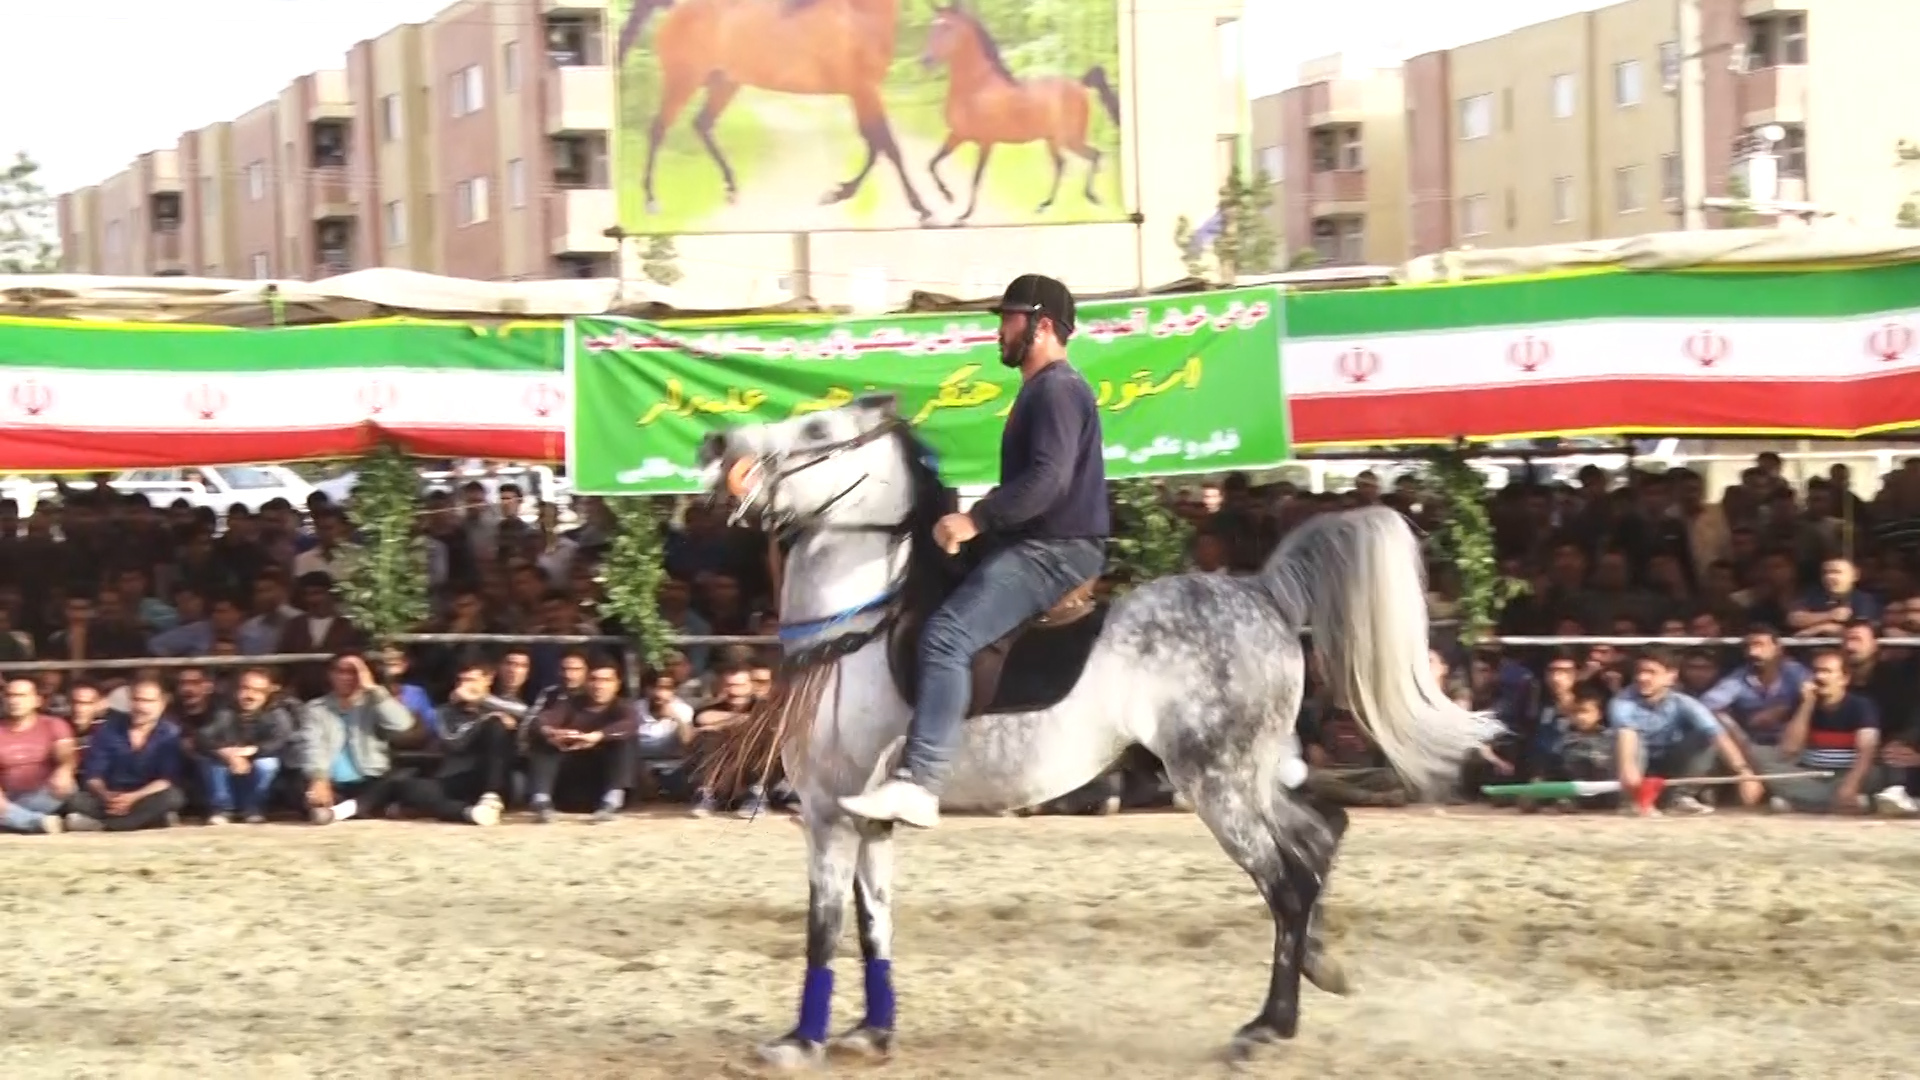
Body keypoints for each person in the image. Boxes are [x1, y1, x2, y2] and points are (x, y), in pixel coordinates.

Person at [842, 274, 1109, 829]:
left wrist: (976, 519)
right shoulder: (1042, 389)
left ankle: (920, 782)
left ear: (1041, 326)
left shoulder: (1057, 390)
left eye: (1009, 319)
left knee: (947, 635)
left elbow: (1048, 481)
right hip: (1038, 543)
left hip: (1054, 551)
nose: (1000, 330)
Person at [66, 676, 187, 832]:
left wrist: (133, 797)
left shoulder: (170, 733)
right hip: (109, 798)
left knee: (173, 797)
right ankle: (148, 820)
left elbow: (167, 779)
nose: (141, 706)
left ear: (162, 703)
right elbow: (93, 775)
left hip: (144, 796)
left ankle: (106, 825)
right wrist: (106, 795)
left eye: (148, 701)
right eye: (136, 700)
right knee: (72, 798)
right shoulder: (108, 729)